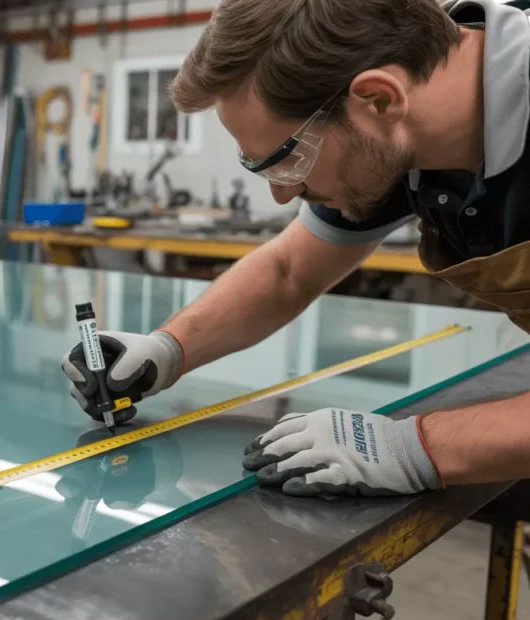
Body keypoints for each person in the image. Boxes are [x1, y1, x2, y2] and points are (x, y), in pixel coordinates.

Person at [62, 0, 530, 498]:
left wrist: (416, 446)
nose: (281, 194)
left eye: (288, 162)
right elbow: (290, 270)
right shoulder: (405, 127)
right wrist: (167, 349)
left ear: (378, 99)